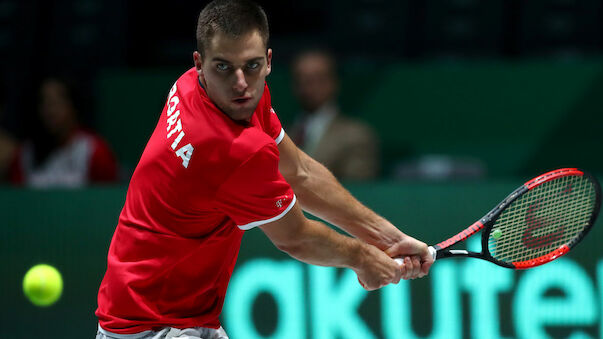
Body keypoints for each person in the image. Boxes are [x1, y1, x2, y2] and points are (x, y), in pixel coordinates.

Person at [95, 1, 433, 338]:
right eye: (224, 67)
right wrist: (364, 259)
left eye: (252, 66)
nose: (241, 83)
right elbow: (297, 238)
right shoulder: (230, 150)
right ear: (199, 63)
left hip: (168, 314)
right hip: (150, 326)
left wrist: (388, 237)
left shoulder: (192, 88)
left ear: (268, 61)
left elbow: (299, 172)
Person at [8, 77, 118, 187]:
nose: (50, 111)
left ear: (73, 107)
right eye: (44, 103)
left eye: (57, 102)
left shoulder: (94, 151)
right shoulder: (25, 154)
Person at [289, 49, 380, 180]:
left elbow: (357, 191)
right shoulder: (283, 134)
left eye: (316, 79)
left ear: (333, 82)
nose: (306, 87)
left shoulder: (356, 136)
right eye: (300, 80)